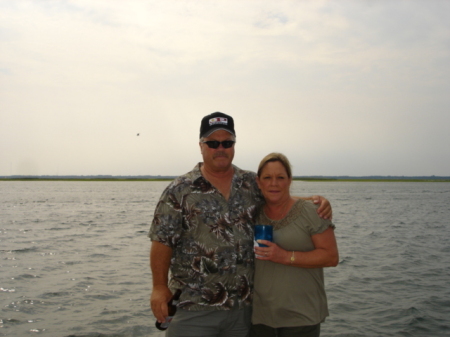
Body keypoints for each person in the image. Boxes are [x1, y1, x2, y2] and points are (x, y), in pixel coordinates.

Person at [148, 112, 332, 337]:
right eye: (213, 143)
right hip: (193, 308)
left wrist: (315, 200)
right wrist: (159, 287)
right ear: (201, 146)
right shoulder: (179, 190)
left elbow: (277, 195)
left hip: (243, 310)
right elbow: (162, 241)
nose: (220, 148)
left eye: (227, 142)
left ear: (234, 144)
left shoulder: (250, 183)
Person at [251, 152, 339, 337]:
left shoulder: (313, 212)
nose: (274, 183)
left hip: (301, 318)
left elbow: (331, 257)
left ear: (289, 180)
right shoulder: (252, 212)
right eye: (267, 177)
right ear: (259, 182)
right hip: (259, 318)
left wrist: (285, 256)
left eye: (280, 177)